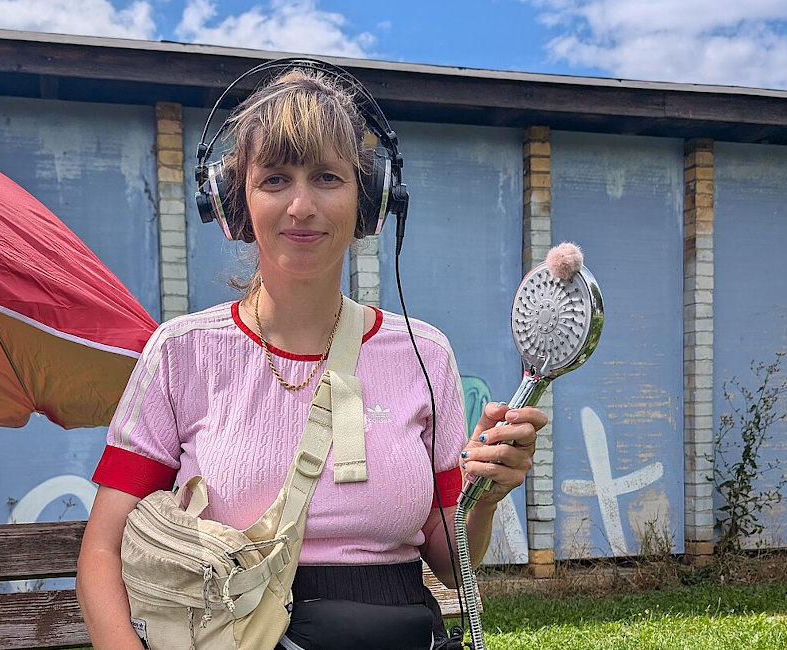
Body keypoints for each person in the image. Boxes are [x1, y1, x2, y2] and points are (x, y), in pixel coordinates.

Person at [75, 63, 546, 650]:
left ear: (368, 201)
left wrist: (483, 498)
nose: (301, 205)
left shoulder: (423, 354)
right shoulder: (181, 355)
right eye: (275, 179)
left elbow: (452, 565)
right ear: (235, 203)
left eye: (327, 177)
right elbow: (102, 550)